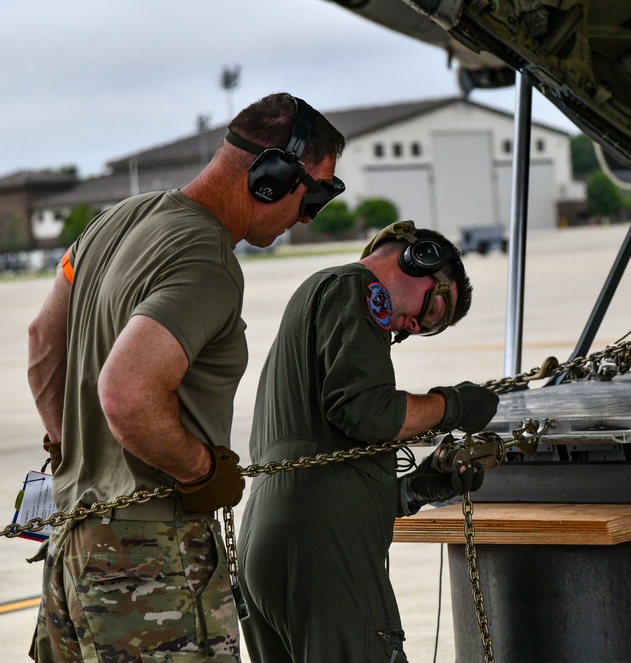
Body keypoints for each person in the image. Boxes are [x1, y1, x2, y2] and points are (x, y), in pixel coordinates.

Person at [25, 92, 345, 662]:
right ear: (271, 177)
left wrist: (76, 454)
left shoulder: (117, 221)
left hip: (74, 540)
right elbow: (127, 393)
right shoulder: (207, 260)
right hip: (150, 556)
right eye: (314, 195)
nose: (306, 216)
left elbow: (43, 342)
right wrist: (201, 473)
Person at [237, 220, 499, 662]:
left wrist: (412, 490)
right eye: (433, 311)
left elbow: (325, 460)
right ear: (422, 261)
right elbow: (368, 412)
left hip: (270, 547)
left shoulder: (320, 299)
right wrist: (451, 405)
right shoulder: (355, 289)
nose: (415, 327)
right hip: (324, 554)